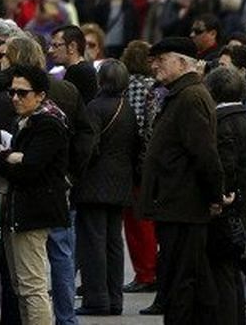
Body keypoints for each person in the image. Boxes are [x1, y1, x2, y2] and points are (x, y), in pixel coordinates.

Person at [139, 36, 225, 322]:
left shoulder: (189, 97)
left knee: (181, 283)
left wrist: (214, 196)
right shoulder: (181, 94)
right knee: (188, 281)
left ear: (182, 62)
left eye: (161, 60)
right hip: (177, 206)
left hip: (184, 206)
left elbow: (205, 154)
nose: (155, 66)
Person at [0, 64, 70, 325]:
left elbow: (29, 169)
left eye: (22, 93)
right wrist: (9, 157)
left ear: (40, 95)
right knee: (21, 287)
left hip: (33, 213)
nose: (15, 98)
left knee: (32, 287)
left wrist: (4, 158)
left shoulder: (48, 124)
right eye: (12, 92)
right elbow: (11, 162)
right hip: (18, 212)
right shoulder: (24, 121)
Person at [74, 59, 136, 316]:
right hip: (120, 184)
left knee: (93, 243)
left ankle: (96, 298)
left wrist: (75, 172)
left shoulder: (95, 107)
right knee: (113, 243)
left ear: (101, 80)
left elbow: (89, 147)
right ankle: (114, 298)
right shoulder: (127, 108)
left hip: (94, 184)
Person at [206, 64, 246, 325]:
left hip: (227, 211)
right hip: (241, 209)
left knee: (222, 273)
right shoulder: (242, 118)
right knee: (231, 273)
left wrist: (220, 196)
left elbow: (225, 166)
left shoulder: (223, 122)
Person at [119, 39, 158, 294]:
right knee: (147, 223)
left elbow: (136, 125)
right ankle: (149, 270)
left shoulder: (132, 87)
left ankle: (145, 272)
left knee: (136, 223)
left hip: (134, 164)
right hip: (149, 164)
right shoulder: (154, 86)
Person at [50, 25, 98, 102]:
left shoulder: (76, 71)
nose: (50, 50)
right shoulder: (86, 69)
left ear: (72, 46)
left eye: (56, 46)